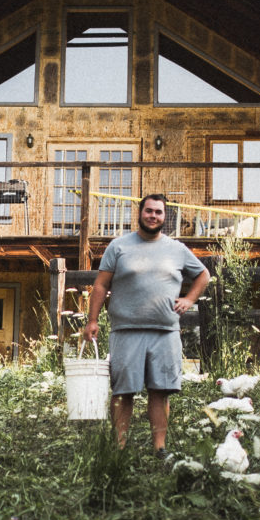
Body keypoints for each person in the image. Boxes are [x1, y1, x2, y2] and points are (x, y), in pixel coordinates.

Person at [81, 194, 210, 458]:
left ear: (165, 217)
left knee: (161, 391)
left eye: (159, 212)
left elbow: (203, 275)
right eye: (149, 211)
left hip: (165, 332)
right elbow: (101, 285)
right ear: (140, 213)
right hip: (125, 330)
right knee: (123, 391)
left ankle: (159, 447)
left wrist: (189, 299)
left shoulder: (177, 249)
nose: (153, 216)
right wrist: (92, 320)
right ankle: (119, 447)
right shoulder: (118, 247)